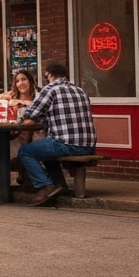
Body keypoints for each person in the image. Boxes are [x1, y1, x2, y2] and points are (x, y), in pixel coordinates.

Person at [18, 62, 97, 206]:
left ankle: (45, 186)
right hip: (88, 145)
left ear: (49, 75)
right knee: (45, 149)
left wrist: (21, 115)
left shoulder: (50, 89)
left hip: (66, 143)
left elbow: (30, 114)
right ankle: (58, 184)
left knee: (25, 151)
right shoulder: (79, 90)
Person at [0, 68, 43, 187]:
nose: (21, 83)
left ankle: (34, 179)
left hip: (36, 137)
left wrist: (25, 103)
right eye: (17, 81)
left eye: (24, 79)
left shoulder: (39, 98)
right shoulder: (12, 99)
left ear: (31, 81)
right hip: (15, 137)